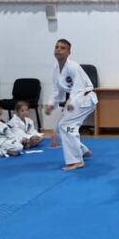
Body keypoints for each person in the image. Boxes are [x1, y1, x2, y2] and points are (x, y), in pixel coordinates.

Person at [44, 39, 97, 171]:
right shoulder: (56, 69)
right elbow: (57, 91)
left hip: (84, 98)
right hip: (76, 100)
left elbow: (79, 87)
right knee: (60, 127)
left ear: (68, 52)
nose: (58, 50)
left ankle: (76, 161)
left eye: (62, 48)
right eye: (57, 47)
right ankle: (81, 150)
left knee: (67, 126)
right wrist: (51, 104)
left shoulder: (73, 66)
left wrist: (71, 101)